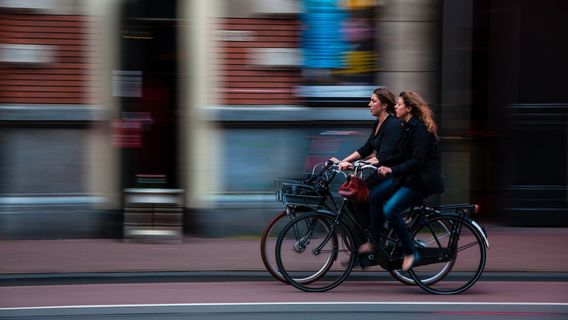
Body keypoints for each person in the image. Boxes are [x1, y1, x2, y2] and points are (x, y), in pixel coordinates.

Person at [359, 90, 444, 272]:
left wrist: (391, 170)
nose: (395, 107)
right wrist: (381, 163)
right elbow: (401, 154)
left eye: (398, 104)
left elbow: (416, 160)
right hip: (408, 177)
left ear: (409, 108)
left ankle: (411, 252)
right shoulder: (406, 126)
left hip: (421, 181)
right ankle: (374, 242)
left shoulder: (420, 128)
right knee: (374, 195)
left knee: (390, 209)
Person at [330, 87, 402, 236]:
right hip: (379, 174)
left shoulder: (392, 125)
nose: (369, 104)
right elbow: (366, 149)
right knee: (353, 200)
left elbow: (383, 156)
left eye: (373, 101)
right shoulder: (378, 124)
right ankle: (370, 238)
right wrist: (342, 161)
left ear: (384, 105)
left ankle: (375, 236)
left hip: (391, 175)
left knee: (359, 199)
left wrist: (358, 164)